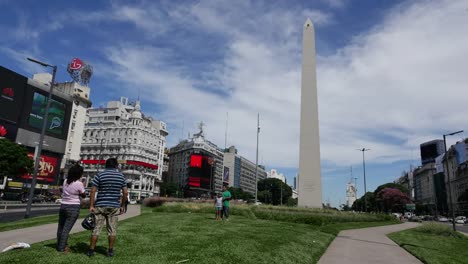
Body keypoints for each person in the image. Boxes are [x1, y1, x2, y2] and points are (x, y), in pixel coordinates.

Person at [87, 158, 128, 257]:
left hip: (100, 205)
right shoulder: (121, 177)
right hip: (114, 206)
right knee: (112, 230)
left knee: (96, 229)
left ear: (106, 165)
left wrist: (91, 205)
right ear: (116, 165)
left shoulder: (100, 175)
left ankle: (91, 251)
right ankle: (110, 251)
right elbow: (125, 193)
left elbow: (93, 191)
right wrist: (122, 206)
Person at [56, 164, 86, 252]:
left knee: (61, 227)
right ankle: (62, 248)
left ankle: (60, 244)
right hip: (73, 207)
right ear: (78, 174)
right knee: (66, 229)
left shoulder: (65, 181)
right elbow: (83, 195)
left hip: (63, 205)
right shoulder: (79, 183)